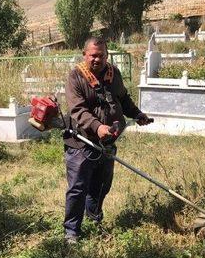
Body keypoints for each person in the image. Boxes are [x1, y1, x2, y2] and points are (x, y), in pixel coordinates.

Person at [63, 37, 152, 244]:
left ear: (107, 55)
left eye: (101, 55)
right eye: (93, 55)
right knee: (78, 187)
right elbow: (77, 110)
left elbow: (123, 99)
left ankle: (94, 218)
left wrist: (137, 114)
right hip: (81, 143)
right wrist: (97, 126)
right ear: (85, 54)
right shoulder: (76, 76)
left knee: (102, 185)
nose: (97, 59)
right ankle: (71, 232)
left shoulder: (114, 74)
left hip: (108, 142)